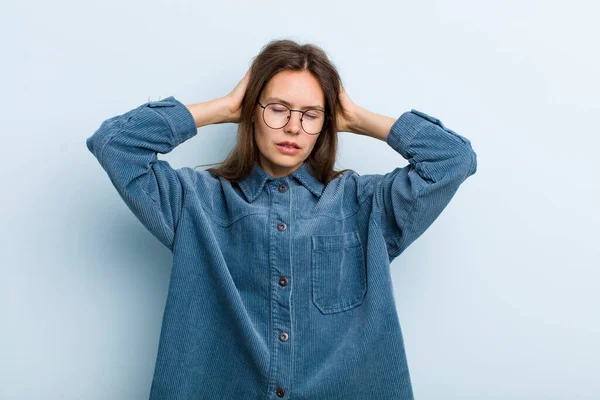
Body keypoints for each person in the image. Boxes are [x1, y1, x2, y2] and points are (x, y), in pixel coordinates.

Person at [86, 39, 477, 400]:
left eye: (311, 114)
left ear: (327, 123)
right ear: (251, 112)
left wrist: (357, 118)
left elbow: (452, 159)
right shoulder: (194, 202)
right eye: (277, 109)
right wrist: (222, 109)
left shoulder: (366, 204)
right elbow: (115, 145)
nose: (293, 126)